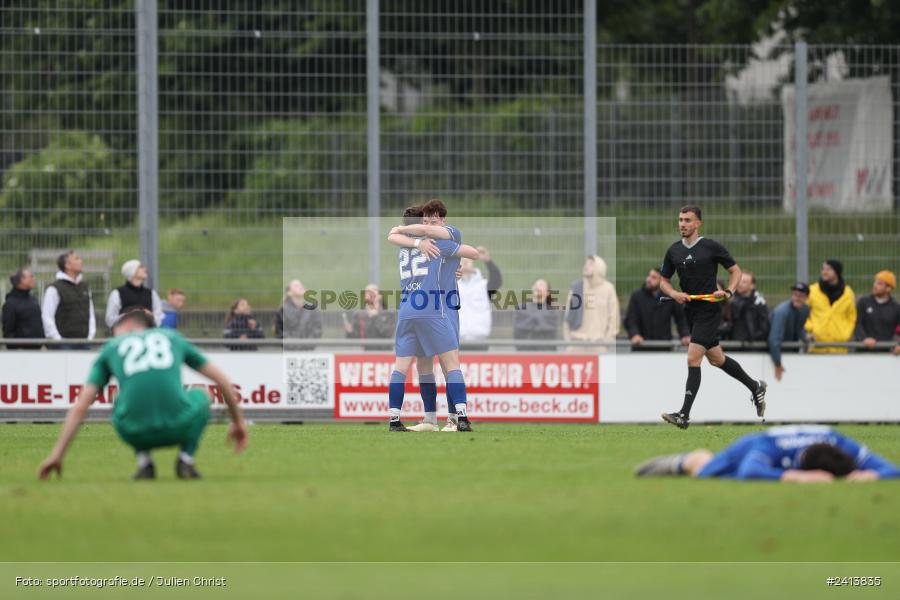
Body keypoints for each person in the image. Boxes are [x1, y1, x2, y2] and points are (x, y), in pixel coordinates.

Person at [37, 308, 248, 481]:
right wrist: (238, 422)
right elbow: (222, 380)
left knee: (118, 399)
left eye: (115, 330)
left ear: (128, 325)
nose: (114, 336)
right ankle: (186, 459)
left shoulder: (111, 348)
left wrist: (57, 455)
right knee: (202, 393)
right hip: (180, 427)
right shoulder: (172, 338)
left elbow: (81, 407)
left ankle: (145, 463)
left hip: (134, 432)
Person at [658, 205, 767, 429]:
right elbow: (663, 281)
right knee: (717, 359)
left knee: (692, 359)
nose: (682, 224)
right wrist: (674, 294)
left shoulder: (711, 247)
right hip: (691, 311)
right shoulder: (674, 251)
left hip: (709, 311)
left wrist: (728, 292)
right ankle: (755, 386)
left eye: (687, 220)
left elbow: (736, 271)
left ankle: (684, 415)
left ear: (698, 223)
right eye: (680, 220)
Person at [386, 200, 480, 432]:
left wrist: (457, 267)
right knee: (437, 364)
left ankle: (449, 419)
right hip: (435, 306)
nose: (428, 225)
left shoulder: (441, 236)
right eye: (425, 221)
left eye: (433, 221)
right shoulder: (433, 244)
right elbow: (471, 253)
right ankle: (443, 418)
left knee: (429, 365)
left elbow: (469, 254)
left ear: (443, 221)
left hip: (420, 307)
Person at [635, 425, 900, 482]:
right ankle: (690, 460)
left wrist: (871, 475)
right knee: (704, 471)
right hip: (747, 448)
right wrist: (793, 477)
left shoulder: (841, 444)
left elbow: (892, 469)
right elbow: (750, 471)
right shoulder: (775, 447)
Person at [624, 267, 689, 351]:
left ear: (662, 282)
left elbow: (681, 319)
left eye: (654, 277)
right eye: (649, 276)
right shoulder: (637, 296)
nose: (648, 279)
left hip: (664, 347)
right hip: (641, 347)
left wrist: (685, 335)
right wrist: (634, 334)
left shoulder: (669, 297)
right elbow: (631, 319)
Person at [41, 250, 96, 347]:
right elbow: (47, 317)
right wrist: (58, 340)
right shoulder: (54, 289)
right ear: (67, 265)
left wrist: (90, 337)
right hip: (63, 345)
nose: (81, 261)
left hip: (85, 343)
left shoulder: (85, 287)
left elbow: (91, 314)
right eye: (76, 258)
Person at [564, 255, 620, 350]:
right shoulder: (576, 287)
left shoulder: (608, 289)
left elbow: (614, 317)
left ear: (599, 268)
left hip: (598, 344)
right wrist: (568, 339)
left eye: (591, 264)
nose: (586, 266)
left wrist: (607, 340)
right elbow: (567, 315)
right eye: (586, 263)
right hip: (576, 344)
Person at [805, 259, 856, 354]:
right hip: (817, 346)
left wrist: (846, 333)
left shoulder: (848, 293)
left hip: (839, 346)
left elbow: (851, 317)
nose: (824, 272)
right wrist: (811, 329)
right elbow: (804, 313)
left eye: (828, 269)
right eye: (823, 269)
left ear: (837, 272)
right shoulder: (812, 291)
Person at [457, 246, 502, 343]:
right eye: (462, 260)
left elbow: (497, 280)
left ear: (473, 263)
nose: (465, 262)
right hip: (457, 339)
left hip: (480, 338)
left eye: (468, 260)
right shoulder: (452, 286)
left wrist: (488, 261)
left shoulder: (484, 286)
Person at [767, 282, 811, 381]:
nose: (797, 298)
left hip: (789, 351)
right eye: (795, 294)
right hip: (777, 352)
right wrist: (778, 363)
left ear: (806, 298)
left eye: (800, 296)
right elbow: (774, 340)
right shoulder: (782, 312)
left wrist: (805, 336)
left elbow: (799, 328)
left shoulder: (805, 309)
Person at [105, 259, 164, 329]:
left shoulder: (152, 293)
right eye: (141, 267)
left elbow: (160, 317)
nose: (145, 269)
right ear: (132, 271)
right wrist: (130, 316)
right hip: (126, 334)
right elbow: (110, 320)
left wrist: (151, 316)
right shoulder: (117, 293)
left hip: (147, 334)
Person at [720, 271, 769, 346]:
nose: (740, 284)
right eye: (739, 281)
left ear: (752, 285)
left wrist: (752, 338)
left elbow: (764, 327)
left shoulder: (759, 303)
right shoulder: (732, 302)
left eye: (744, 282)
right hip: (734, 345)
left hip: (754, 346)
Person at [854, 270, 899, 353]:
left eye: (879, 284)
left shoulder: (896, 307)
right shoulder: (863, 302)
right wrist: (864, 338)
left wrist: (898, 345)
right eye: (875, 282)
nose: (875, 286)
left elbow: (898, 330)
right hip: (863, 352)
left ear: (888, 288)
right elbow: (857, 323)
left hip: (886, 354)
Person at [2, 268, 45, 349]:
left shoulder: (33, 300)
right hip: (21, 351)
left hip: (37, 349)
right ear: (21, 280)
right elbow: (8, 331)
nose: (33, 279)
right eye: (31, 277)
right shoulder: (10, 304)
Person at [513, 279, 560, 351]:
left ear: (547, 292)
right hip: (525, 351)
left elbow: (549, 330)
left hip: (545, 352)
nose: (537, 286)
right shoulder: (521, 308)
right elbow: (518, 330)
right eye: (535, 285)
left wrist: (531, 321)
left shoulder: (552, 311)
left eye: (541, 285)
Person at [275, 280, 322, 345]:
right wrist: (294, 344)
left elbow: (317, 328)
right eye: (296, 286)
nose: (300, 287)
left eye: (301, 285)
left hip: (309, 348)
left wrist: (308, 343)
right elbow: (280, 331)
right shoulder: (282, 309)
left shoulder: (312, 308)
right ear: (289, 292)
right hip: (290, 348)